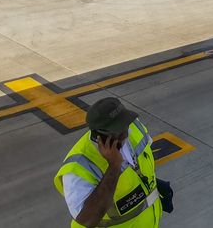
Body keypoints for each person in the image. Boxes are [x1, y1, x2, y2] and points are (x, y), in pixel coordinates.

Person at [54, 97, 172, 227]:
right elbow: (87, 221)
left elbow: (141, 164)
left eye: (125, 125)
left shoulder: (133, 128)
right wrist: (114, 166)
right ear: (99, 135)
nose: (126, 133)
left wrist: (151, 185)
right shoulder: (78, 169)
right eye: (118, 130)